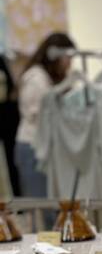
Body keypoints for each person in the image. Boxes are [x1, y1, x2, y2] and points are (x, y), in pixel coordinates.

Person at [14, 31, 75, 197]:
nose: (70, 63)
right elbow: (37, 114)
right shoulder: (35, 79)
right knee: (40, 202)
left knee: (50, 200)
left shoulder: (47, 79)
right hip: (32, 147)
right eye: (68, 58)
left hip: (42, 147)